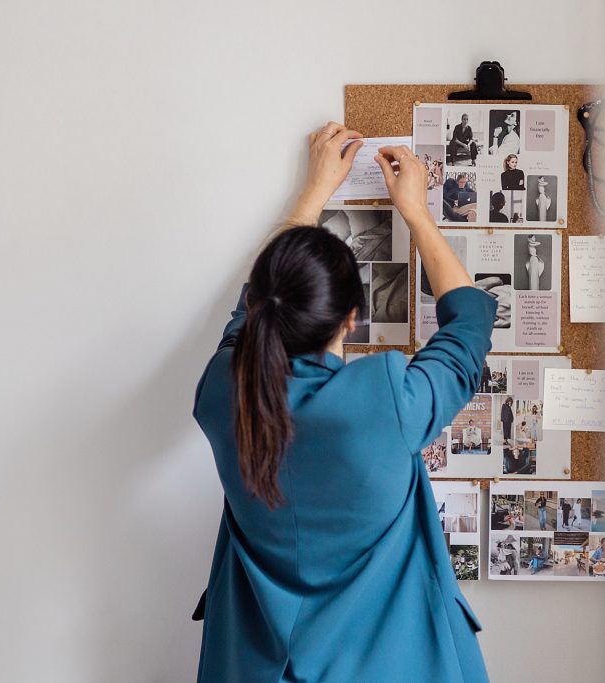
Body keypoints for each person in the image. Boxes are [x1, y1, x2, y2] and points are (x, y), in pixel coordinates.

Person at [192, 122, 495, 682]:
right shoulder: (385, 401)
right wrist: (418, 214)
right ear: (353, 319)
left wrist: (310, 195)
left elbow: (249, 310)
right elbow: (469, 327)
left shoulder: (221, 391)